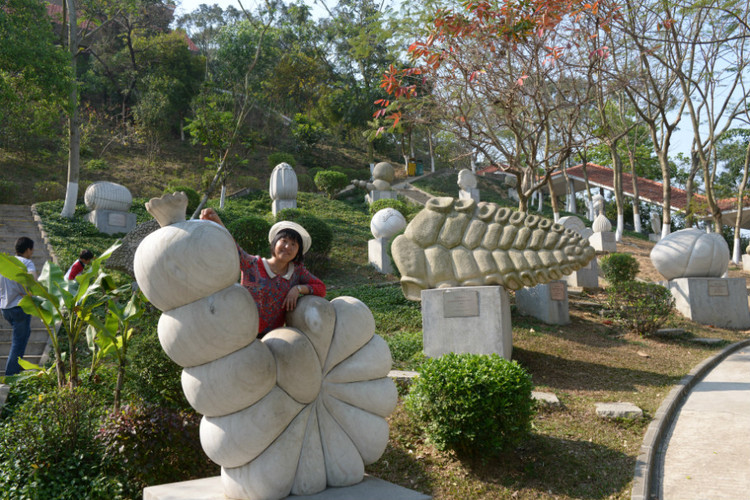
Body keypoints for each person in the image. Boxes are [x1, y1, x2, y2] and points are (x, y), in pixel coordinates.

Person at [199, 208, 326, 337]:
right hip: (240, 333)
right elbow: (233, 247)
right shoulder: (253, 264)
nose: (287, 247)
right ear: (275, 243)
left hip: (271, 340)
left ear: (298, 251)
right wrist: (217, 221)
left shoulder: (297, 272)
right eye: (284, 241)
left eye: (293, 244)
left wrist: (297, 289)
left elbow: (321, 288)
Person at [0, 237, 37, 376]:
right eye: (31, 250)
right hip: (19, 307)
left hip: (5, 308)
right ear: (27, 249)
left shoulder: (7, 263)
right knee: (18, 342)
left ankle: (18, 366)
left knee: (25, 334)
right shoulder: (27, 262)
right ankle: (10, 375)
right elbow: (33, 282)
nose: (32, 253)